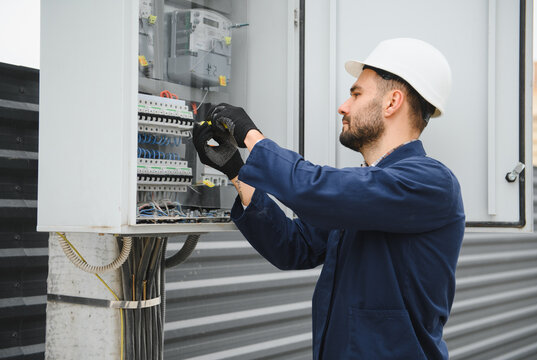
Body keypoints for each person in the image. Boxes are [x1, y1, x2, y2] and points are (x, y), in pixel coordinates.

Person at [192, 38, 465, 359]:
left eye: (356, 93)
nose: (343, 106)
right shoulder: (364, 192)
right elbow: (293, 247)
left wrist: (251, 136)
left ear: (392, 102)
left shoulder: (431, 182)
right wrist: (237, 172)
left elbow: (315, 189)